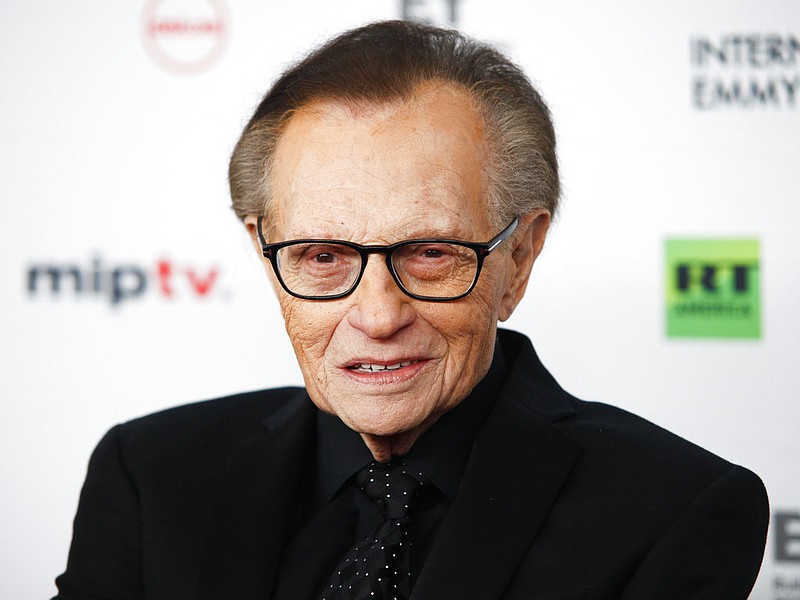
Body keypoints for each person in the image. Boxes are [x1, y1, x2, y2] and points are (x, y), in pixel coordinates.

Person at [54, 20, 769, 600]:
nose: (378, 314)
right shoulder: (152, 476)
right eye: (323, 256)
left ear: (518, 256)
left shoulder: (672, 512)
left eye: (429, 252)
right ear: (264, 253)